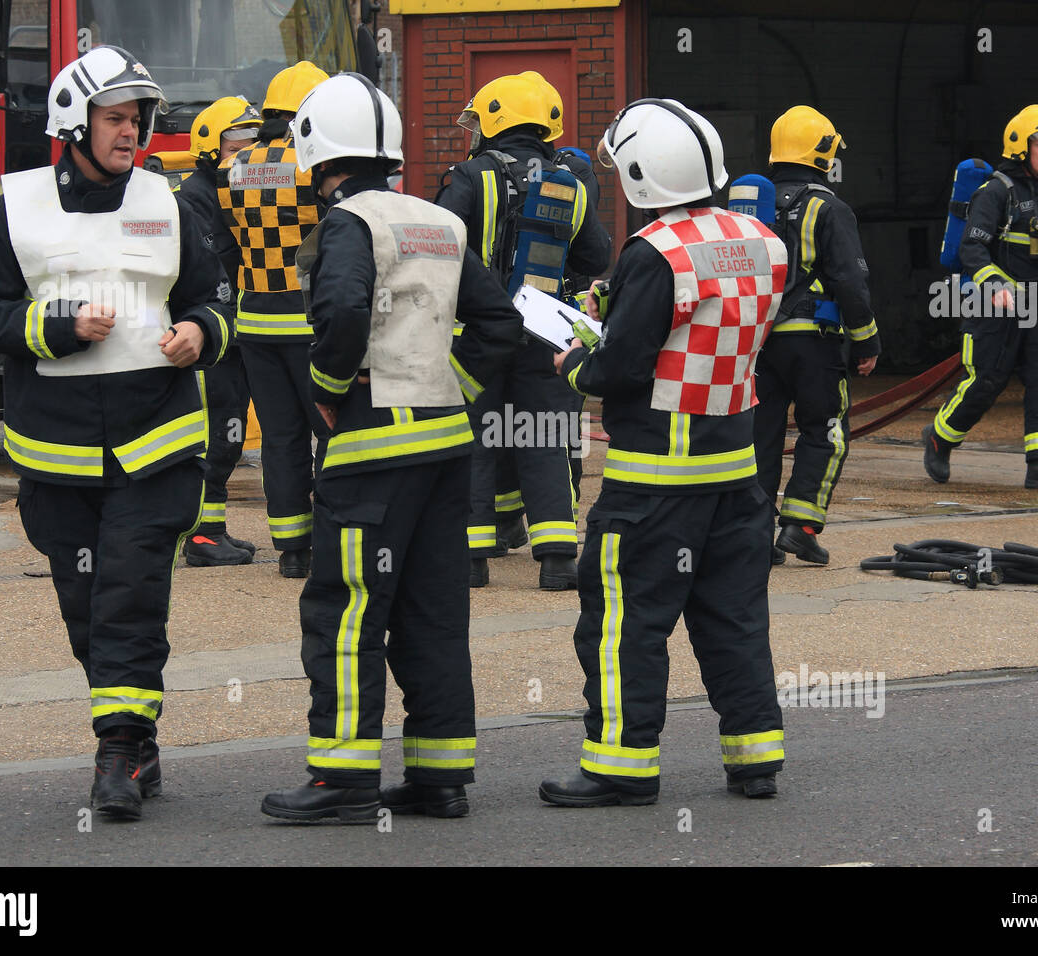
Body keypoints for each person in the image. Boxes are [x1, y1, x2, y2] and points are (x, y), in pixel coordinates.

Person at [0, 46, 230, 820]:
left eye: (138, 118)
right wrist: (57, 326)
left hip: (158, 447)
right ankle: (137, 743)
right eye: (116, 118)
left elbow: (217, 294)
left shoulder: (170, 202)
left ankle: (116, 750)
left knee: (129, 595)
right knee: (87, 603)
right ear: (74, 123)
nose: (132, 132)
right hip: (58, 458)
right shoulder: (16, 208)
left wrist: (202, 333)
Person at [259, 73, 522, 823]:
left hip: (372, 452)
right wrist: (454, 384)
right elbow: (499, 324)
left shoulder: (347, 222)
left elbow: (341, 309)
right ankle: (441, 778)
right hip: (444, 452)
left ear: (319, 154)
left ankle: (342, 779)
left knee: (345, 611)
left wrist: (326, 387)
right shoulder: (437, 220)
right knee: (432, 612)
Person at [539, 98, 787, 807]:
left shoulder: (654, 252)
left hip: (654, 483)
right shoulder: (763, 240)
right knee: (734, 619)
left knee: (624, 623)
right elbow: (711, 324)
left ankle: (621, 767)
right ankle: (755, 758)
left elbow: (622, 367)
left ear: (644, 173)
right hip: (736, 474)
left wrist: (576, 365)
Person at [436, 71, 612, 590]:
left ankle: (471, 558)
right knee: (545, 435)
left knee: (475, 436)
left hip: (476, 332)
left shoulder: (469, 176)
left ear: (493, 120)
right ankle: (557, 556)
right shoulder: (571, 182)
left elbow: (442, 244)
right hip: (545, 332)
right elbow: (596, 256)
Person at [924, 105, 1038, 490]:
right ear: (1019, 147)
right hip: (994, 304)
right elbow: (972, 250)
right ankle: (939, 437)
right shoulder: (995, 192)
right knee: (985, 383)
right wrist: (998, 287)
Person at [753, 106, 881, 567]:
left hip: (757, 345)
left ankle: (755, 538)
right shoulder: (830, 208)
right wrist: (867, 342)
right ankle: (801, 527)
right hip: (815, 344)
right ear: (823, 153)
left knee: (759, 437)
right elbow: (850, 282)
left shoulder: (749, 206)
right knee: (825, 432)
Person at [218, 61, 329, 577]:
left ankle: (291, 549)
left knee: (282, 439)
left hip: (255, 321)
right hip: (308, 323)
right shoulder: (315, 166)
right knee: (331, 432)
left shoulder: (234, 168)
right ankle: (329, 538)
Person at [175, 96, 262, 565]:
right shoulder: (194, 201)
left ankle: (210, 529)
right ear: (210, 147)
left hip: (234, 330)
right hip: (212, 336)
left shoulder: (236, 190)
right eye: (238, 141)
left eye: (253, 139)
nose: (247, 149)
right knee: (216, 436)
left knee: (228, 436)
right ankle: (202, 536)